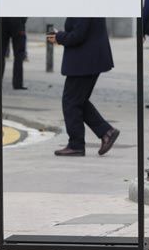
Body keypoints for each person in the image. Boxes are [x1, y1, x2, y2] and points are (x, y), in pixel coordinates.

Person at [47, 18, 120, 157]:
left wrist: (59, 37)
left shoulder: (85, 3)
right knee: (78, 100)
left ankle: (76, 145)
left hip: (85, 60)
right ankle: (106, 132)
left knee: (71, 101)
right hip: (88, 59)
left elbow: (78, 35)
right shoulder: (88, 1)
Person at [0, 17, 27, 90]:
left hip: (2, 20)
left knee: (0, 52)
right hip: (16, 21)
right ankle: (17, 83)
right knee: (18, 54)